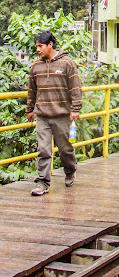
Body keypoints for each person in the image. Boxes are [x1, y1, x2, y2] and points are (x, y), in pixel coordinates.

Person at [26, 31, 82, 196]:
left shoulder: (67, 63)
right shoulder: (36, 66)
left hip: (62, 115)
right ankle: (42, 182)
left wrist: (75, 109)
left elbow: (75, 88)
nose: (38, 49)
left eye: (40, 46)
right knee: (43, 150)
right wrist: (29, 109)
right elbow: (32, 90)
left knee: (65, 149)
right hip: (42, 116)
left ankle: (70, 170)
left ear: (50, 45)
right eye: (37, 46)